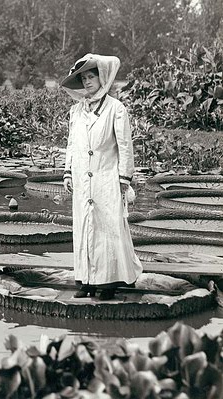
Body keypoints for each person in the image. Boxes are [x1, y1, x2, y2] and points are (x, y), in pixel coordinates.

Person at [60, 54, 142, 301]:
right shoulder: (76, 110)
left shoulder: (116, 109)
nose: (87, 82)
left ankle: (107, 283)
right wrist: (67, 171)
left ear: (102, 78)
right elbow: (72, 144)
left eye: (91, 77)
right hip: (82, 180)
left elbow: (125, 146)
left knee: (108, 229)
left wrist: (123, 178)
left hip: (107, 178)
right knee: (84, 227)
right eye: (83, 78)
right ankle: (86, 281)